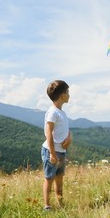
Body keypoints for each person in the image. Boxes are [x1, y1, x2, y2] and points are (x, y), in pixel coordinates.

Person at [41, 80, 72, 211]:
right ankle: (47, 206)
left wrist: (69, 137)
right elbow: (49, 133)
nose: (69, 95)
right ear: (62, 95)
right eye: (68, 92)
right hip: (51, 151)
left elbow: (65, 129)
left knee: (59, 179)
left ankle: (60, 204)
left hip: (61, 152)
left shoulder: (61, 113)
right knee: (49, 178)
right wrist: (52, 154)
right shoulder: (52, 112)